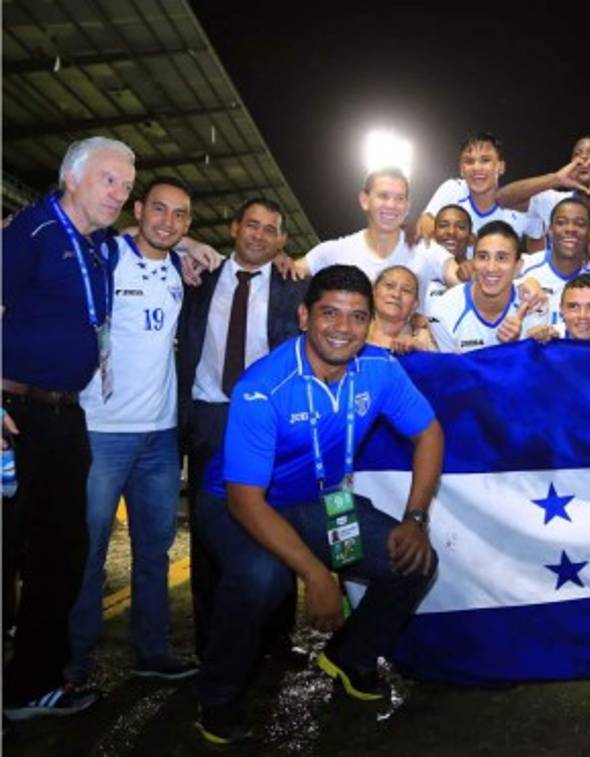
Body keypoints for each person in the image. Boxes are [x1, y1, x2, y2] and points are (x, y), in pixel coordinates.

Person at [193, 264, 443, 743]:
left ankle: (351, 656)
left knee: (414, 560)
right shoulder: (262, 386)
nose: (342, 329)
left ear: (370, 323)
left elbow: (429, 433)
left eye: (356, 317)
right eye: (330, 313)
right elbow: (247, 501)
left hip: (322, 502)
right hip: (238, 504)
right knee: (261, 578)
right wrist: (316, 574)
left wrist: (415, 517)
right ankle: (219, 694)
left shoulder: (379, 369)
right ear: (305, 316)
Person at [2, 136, 135, 719]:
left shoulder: (100, 245)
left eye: (128, 185)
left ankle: (31, 686)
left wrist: (198, 245)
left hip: (65, 416)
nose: (121, 193)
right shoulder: (29, 232)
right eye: (110, 180)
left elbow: (153, 241)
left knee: (62, 551)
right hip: (13, 416)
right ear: (72, 179)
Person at [67, 176, 198, 687]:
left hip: (160, 439)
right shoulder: (107, 254)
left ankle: (152, 650)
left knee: (153, 551)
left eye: (180, 215)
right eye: (159, 210)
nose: (168, 222)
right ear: (138, 209)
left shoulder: (182, 273)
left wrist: (194, 247)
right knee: (90, 552)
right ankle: (73, 663)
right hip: (102, 431)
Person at [177, 198, 310, 661]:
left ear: (281, 241)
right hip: (210, 416)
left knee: (277, 522)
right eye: (251, 225)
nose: (258, 235)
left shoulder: (295, 287)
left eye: (269, 229)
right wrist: (189, 245)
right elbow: (150, 238)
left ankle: (276, 639)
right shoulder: (199, 276)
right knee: (210, 532)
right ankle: (211, 641)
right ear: (234, 228)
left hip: (269, 422)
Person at [294, 167, 460, 293]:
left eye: (399, 198)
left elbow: (463, 280)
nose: (391, 205)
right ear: (364, 200)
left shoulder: (427, 250)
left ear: (407, 206)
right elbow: (286, 273)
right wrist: (277, 257)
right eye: (383, 196)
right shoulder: (334, 252)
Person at [430, 221, 547, 353]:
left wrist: (516, 345)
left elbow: (533, 367)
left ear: (518, 267)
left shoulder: (533, 302)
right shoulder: (443, 311)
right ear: (473, 262)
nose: (491, 268)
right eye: (483, 257)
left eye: (501, 258)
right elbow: (451, 371)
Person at [417, 133, 538, 243]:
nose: (476, 167)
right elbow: (424, 226)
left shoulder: (517, 207)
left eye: (485, 160)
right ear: (461, 169)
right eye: (469, 161)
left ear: (501, 167)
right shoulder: (453, 189)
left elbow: (538, 238)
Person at [518, 199, 590, 323]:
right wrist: (520, 284)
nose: (570, 229)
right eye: (561, 223)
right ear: (550, 230)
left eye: (579, 224)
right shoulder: (523, 266)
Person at [368, 265, 436, 353]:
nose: (396, 295)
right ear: (373, 292)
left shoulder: (423, 341)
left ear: (415, 305)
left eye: (406, 290)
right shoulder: (353, 331)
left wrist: (419, 352)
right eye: (389, 286)